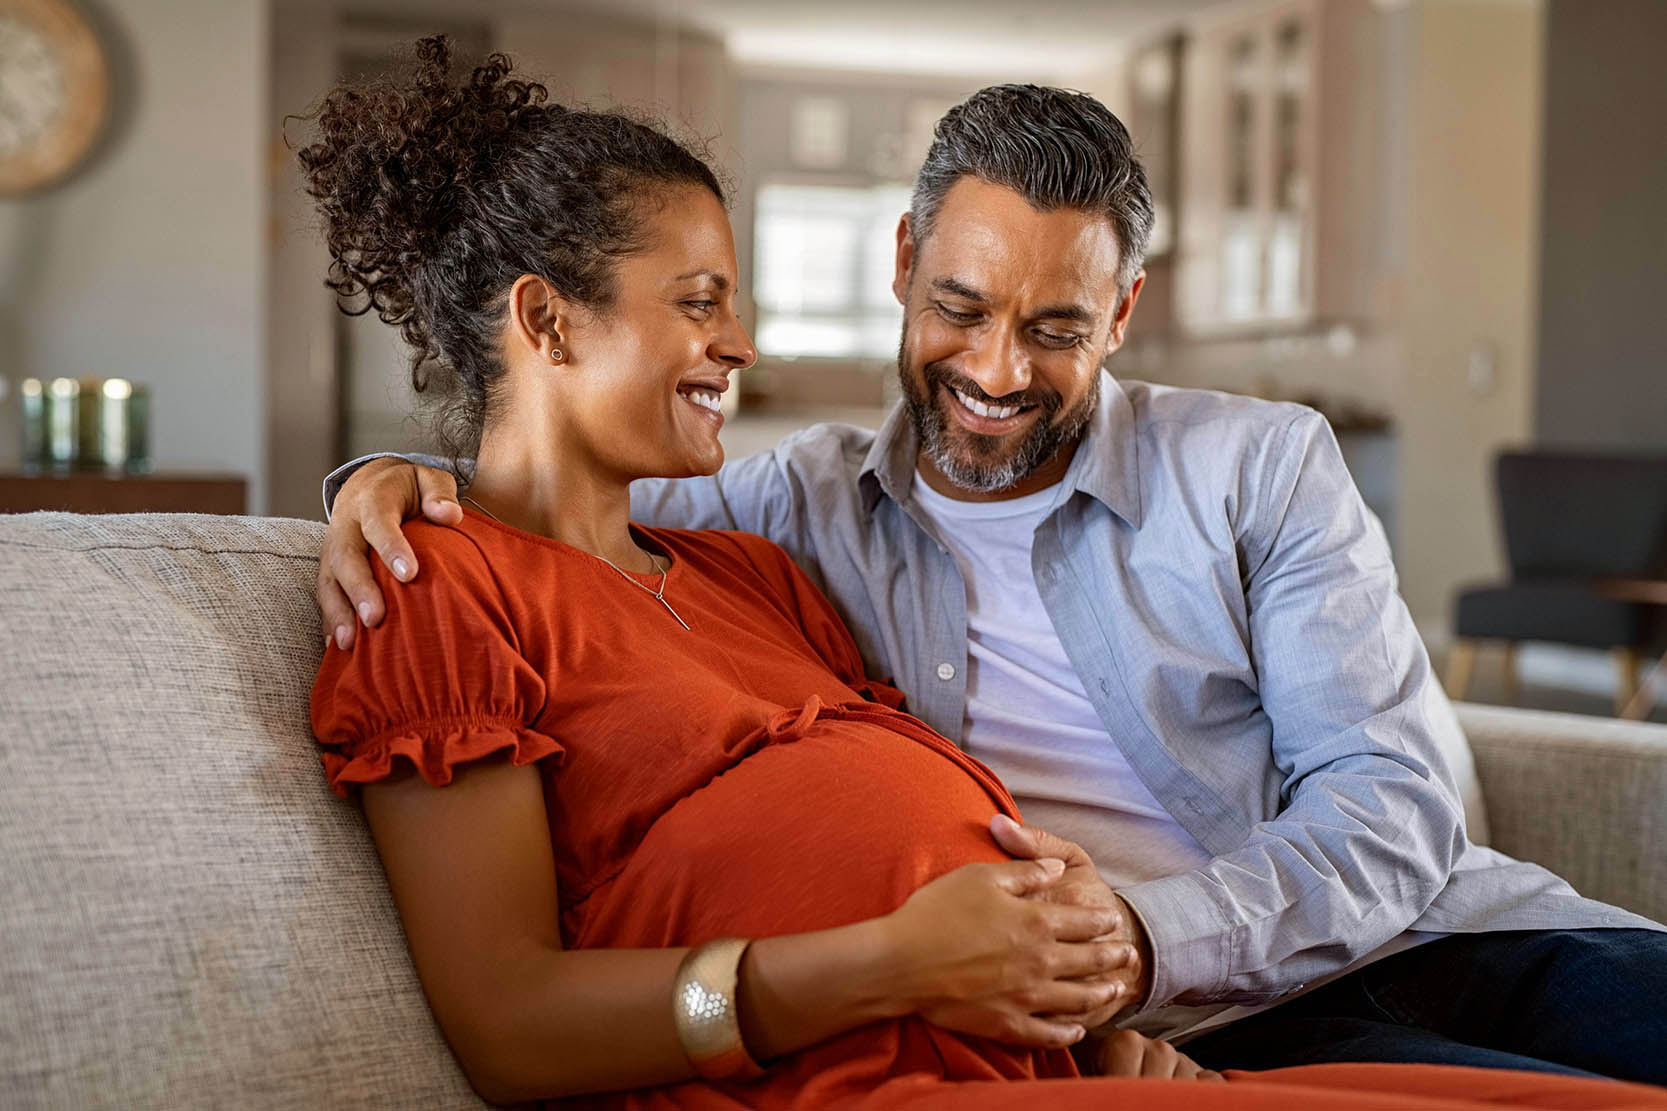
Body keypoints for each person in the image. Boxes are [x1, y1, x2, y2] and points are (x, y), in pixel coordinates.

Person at [304, 38, 1667, 1109]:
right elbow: (548, 477)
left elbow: (1391, 804)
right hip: (1172, 1041)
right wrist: (380, 481)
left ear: (1124, 311)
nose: (998, 372)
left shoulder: (1259, 466)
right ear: (904, 267)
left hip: (1427, 941)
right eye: (958, 309)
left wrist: (1139, 939)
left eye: (1059, 326)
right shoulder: (791, 502)